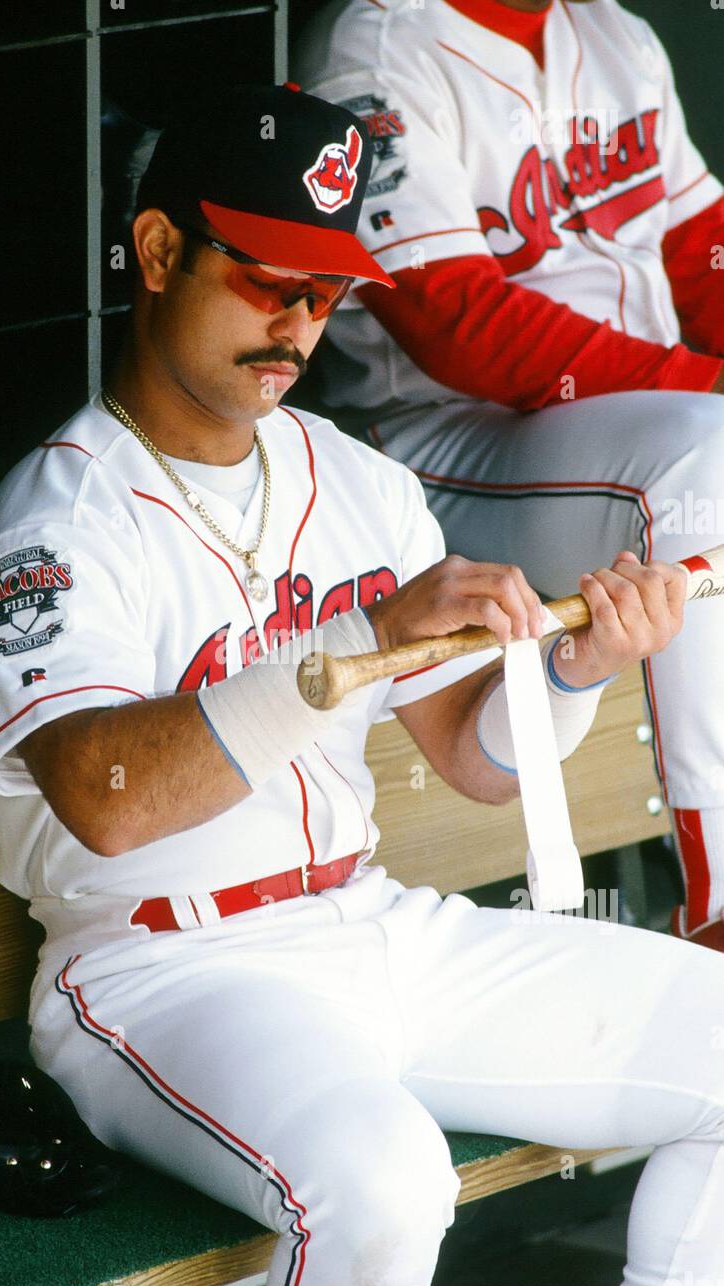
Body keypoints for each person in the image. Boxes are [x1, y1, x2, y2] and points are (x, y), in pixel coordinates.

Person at [0, 83, 724, 1286]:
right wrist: (355, 636)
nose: (300, 327)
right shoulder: (56, 527)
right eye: (269, 281)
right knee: (384, 1185)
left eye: (328, 292)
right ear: (158, 253)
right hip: (166, 973)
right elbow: (105, 801)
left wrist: (576, 666)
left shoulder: (357, 482)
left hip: (367, 925)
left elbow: (474, 757)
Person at [294, 0, 724, 951]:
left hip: (635, 437)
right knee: (708, 457)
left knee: (703, 450)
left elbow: (704, 254)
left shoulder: (615, 35)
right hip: (444, 448)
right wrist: (706, 383)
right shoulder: (376, 46)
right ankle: (719, 913)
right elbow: (452, 318)